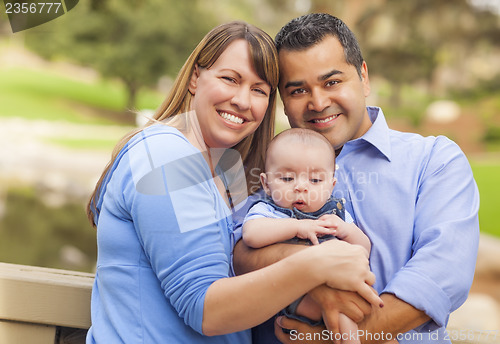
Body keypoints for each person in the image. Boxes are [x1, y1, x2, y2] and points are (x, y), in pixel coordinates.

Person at [85, 21, 382, 344]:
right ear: (196, 77)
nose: (243, 100)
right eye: (230, 79)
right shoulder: (167, 155)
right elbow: (205, 310)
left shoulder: (225, 172)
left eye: (259, 90)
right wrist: (316, 264)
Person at [233, 13, 480, 344]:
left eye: (332, 82)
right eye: (298, 90)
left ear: (363, 77)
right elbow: (238, 255)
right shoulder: (270, 164)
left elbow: (442, 274)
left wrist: (345, 336)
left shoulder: (434, 160)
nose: (318, 102)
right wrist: (316, 273)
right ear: (283, 101)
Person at [242, 128, 372, 344]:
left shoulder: (335, 214)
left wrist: (346, 230)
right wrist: (296, 227)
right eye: (287, 178)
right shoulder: (270, 211)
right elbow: (251, 235)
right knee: (337, 308)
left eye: (314, 180)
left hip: (339, 289)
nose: (300, 187)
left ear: (331, 186)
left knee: (348, 310)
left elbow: (364, 248)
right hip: (294, 295)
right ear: (266, 183)